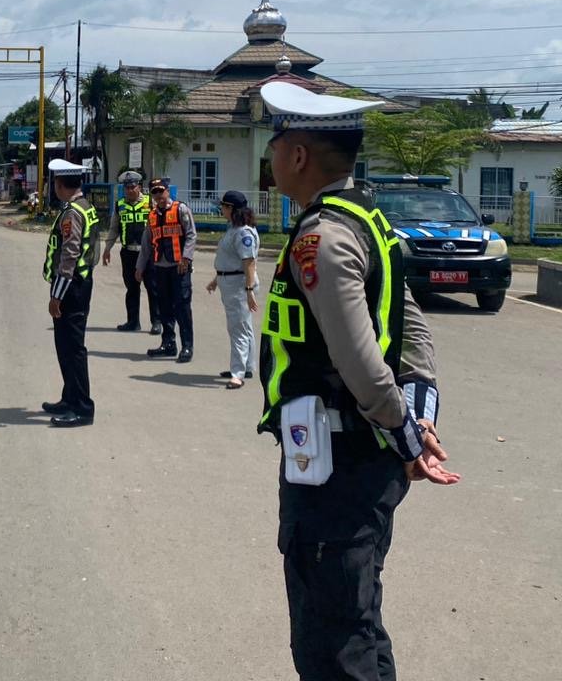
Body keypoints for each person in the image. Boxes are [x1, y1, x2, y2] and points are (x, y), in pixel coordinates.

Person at [257, 80, 460, 681]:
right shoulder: (370, 221)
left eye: (274, 144)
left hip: (335, 472)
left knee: (332, 643)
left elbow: (359, 359)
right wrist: (418, 419)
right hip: (361, 464)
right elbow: (414, 332)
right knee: (359, 624)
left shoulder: (323, 236)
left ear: (297, 155)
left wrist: (406, 435)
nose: (269, 158)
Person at [41, 158, 100, 427]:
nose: (53, 186)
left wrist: (57, 295)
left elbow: (70, 255)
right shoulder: (84, 207)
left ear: (60, 184)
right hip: (78, 284)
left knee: (73, 349)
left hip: (72, 287)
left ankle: (83, 408)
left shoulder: (73, 213)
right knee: (64, 347)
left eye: (54, 182)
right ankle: (69, 397)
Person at [136, 178, 197, 362]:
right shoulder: (152, 215)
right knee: (164, 308)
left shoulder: (181, 209)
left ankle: (187, 346)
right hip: (159, 268)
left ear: (167, 191)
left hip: (179, 267)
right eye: (154, 193)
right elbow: (146, 243)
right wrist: (140, 267)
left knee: (182, 307)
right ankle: (168, 344)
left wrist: (186, 258)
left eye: (161, 192)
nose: (158, 196)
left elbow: (192, 235)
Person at [205, 190, 259, 389]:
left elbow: (248, 262)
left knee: (238, 329)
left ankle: (238, 374)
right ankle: (246, 366)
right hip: (231, 281)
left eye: (224, 206)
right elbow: (230, 261)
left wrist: (249, 289)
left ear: (231, 209)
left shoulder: (243, 232)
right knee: (244, 327)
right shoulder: (234, 228)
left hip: (239, 285)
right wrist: (216, 280)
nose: (221, 209)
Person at [102, 170, 161, 334]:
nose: (129, 190)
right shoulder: (120, 205)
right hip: (128, 253)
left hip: (149, 253)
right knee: (132, 288)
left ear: (140, 187)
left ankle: (156, 321)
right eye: (126, 187)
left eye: (132, 187)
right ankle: (133, 321)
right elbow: (114, 228)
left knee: (153, 287)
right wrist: (107, 249)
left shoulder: (151, 203)